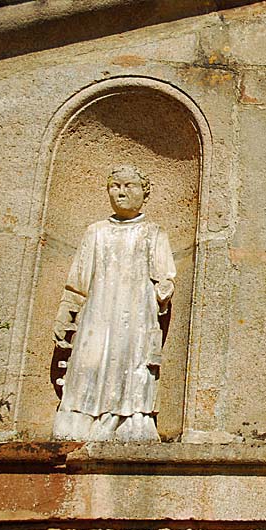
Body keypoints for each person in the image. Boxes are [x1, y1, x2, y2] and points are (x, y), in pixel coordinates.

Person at [51, 165, 176, 442]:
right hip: (98, 310)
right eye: (115, 186)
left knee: (131, 360)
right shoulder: (95, 232)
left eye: (129, 186)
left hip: (136, 312)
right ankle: (79, 417)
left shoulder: (153, 233)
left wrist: (165, 289)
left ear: (144, 192)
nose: (121, 192)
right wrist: (67, 310)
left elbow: (165, 274)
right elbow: (78, 280)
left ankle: (131, 418)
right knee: (89, 359)